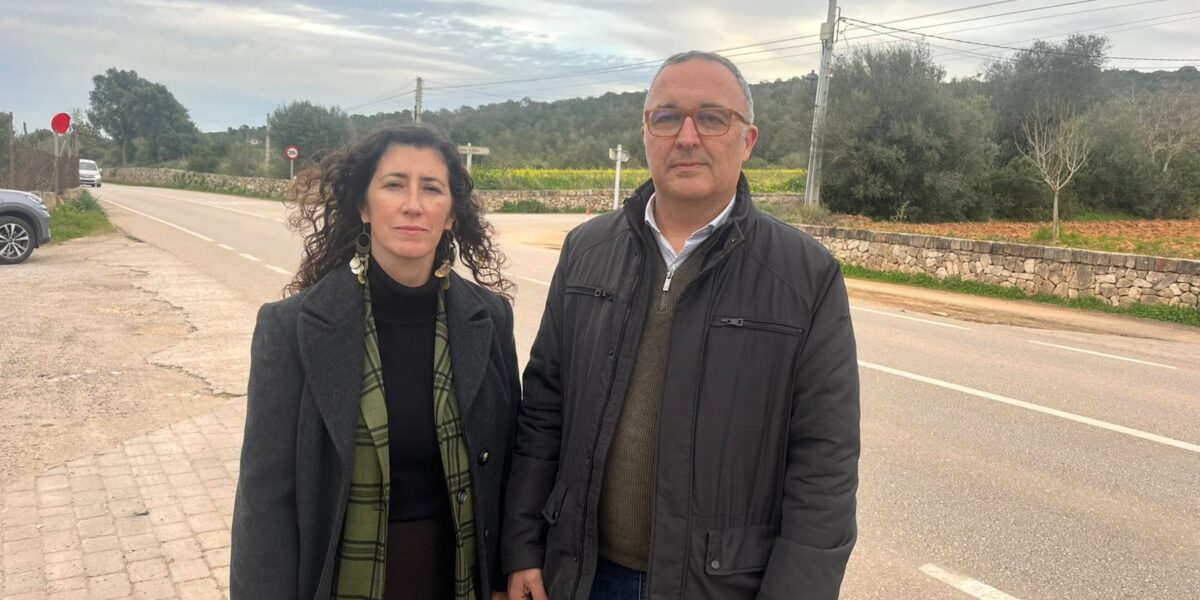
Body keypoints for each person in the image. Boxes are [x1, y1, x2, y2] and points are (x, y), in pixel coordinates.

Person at [503, 51, 861, 600]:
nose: (687, 137)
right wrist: (523, 547)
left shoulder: (804, 276)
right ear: (646, 133)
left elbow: (824, 463)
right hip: (582, 575)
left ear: (748, 140)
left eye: (712, 118)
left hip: (723, 585)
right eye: (667, 117)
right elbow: (544, 411)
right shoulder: (586, 251)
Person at [231, 126, 519, 600]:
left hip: (460, 578)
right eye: (394, 184)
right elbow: (264, 501)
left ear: (451, 215)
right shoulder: (291, 328)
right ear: (363, 207)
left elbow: (506, 464)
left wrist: (508, 573)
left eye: (431, 188)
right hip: (341, 579)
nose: (413, 204)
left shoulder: (489, 319)